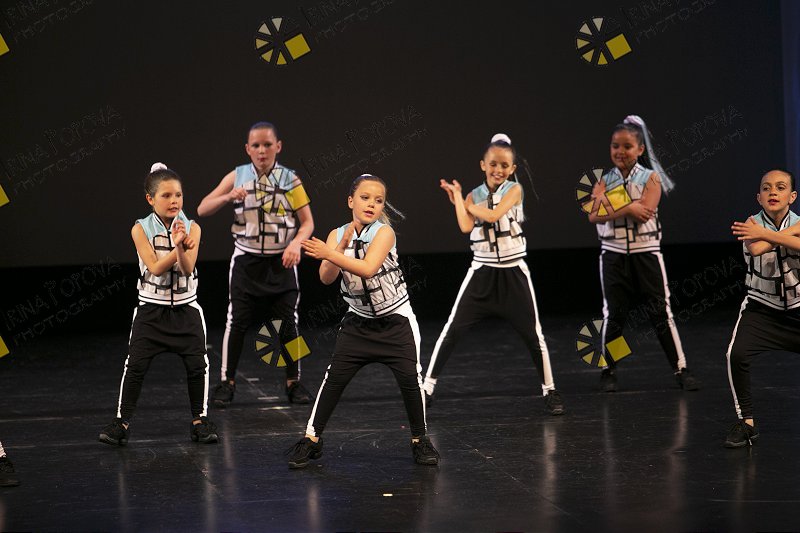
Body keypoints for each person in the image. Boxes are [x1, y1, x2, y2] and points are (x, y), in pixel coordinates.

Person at [286, 174, 440, 468]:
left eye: (378, 200)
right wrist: (338, 246)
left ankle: (420, 439)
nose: (371, 204)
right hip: (358, 322)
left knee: (410, 380)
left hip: (395, 321)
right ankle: (311, 439)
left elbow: (368, 268)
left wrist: (330, 253)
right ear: (350, 201)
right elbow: (326, 277)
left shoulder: (384, 233)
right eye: (365, 198)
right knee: (333, 379)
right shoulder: (336, 235)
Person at [422, 134, 565, 415]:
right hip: (482, 271)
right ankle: (427, 388)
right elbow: (466, 226)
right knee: (452, 330)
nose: (498, 170)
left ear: (512, 168)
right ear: (482, 165)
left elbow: (492, 215)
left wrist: (464, 203)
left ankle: (550, 389)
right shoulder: (473, 195)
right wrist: (459, 199)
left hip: (513, 272)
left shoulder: (515, 189)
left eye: (504, 165)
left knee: (533, 335)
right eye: (493, 164)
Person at [99, 163, 217, 446]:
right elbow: (153, 267)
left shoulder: (193, 228)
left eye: (178, 195)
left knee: (197, 365)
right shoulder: (140, 229)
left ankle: (200, 421)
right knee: (135, 366)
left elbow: (187, 269)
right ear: (150, 199)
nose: (174, 200)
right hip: (151, 311)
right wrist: (178, 247)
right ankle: (121, 422)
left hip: (187, 311)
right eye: (166, 195)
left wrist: (181, 245)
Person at [197, 122, 314, 407]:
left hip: (281, 261)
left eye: (267, 144)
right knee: (236, 321)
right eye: (256, 145)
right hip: (246, 261)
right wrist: (228, 196)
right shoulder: (237, 176)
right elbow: (202, 208)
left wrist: (296, 244)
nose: (262, 150)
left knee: (289, 323)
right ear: (247, 149)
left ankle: (293, 381)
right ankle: (227, 381)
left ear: (278, 146)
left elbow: (307, 222)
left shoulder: (291, 179)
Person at [586, 115, 698, 392]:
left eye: (627, 146)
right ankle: (609, 369)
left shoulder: (651, 178)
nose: (620, 152)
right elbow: (593, 215)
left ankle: (680, 368)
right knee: (615, 315)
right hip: (613, 255)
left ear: (640, 149)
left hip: (646, 254)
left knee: (660, 313)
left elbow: (644, 211)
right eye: (615, 146)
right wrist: (627, 207)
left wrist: (611, 206)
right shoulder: (604, 180)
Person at [726, 169, 800, 447]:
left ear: (792, 196)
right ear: (759, 197)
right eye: (766, 188)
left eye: (780, 187)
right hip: (762, 308)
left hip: (798, 306)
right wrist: (788, 233)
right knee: (736, 354)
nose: (773, 192)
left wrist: (777, 232)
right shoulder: (751, 224)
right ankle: (746, 423)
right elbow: (757, 248)